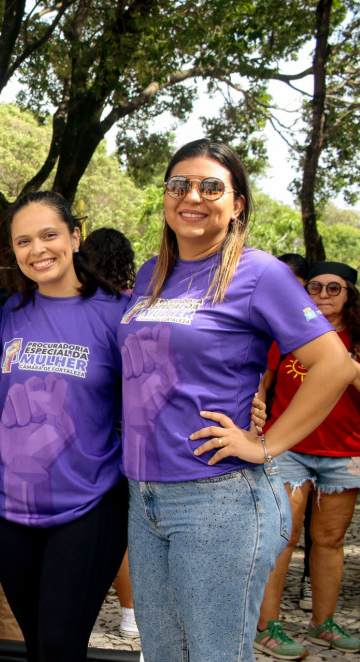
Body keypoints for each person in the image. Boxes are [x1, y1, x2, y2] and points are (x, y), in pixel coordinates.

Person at [118, 138, 354, 661]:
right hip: (146, 493)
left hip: (217, 495)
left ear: (238, 202)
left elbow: (336, 366)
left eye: (210, 186)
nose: (192, 196)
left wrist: (266, 445)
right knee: (161, 654)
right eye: (179, 185)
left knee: (215, 655)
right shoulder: (150, 273)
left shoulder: (258, 271)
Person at [0, 191, 128, 660]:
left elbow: (152, 397)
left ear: (74, 236)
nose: (37, 250)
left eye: (49, 235)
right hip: (9, 508)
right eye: (23, 241)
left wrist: (252, 404)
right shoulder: (10, 314)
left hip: (88, 504)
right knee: (37, 646)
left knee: (61, 646)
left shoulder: (117, 315)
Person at [255, 261, 360, 659]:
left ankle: (324, 625)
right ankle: (268, 627)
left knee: (331, 541)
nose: (323, 295)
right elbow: (262, 382)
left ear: (349, 294)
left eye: (334, 289)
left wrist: (343, 365)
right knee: (282, 536)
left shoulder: (357, 338)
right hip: (289, 447)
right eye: (315, 287)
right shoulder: (285, 333)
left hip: (344, 452)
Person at [80, 226, 139, 638]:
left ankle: (127, 610)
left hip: (101, 432)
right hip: (128, 430)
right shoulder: (131, 307)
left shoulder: (105, 309)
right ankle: (133, 613)